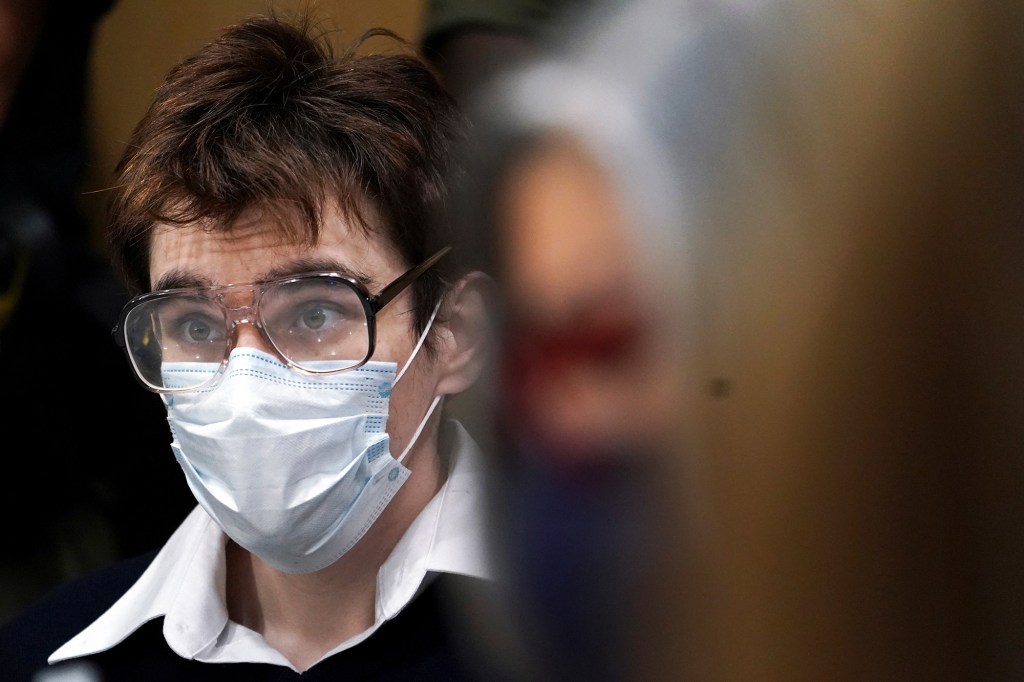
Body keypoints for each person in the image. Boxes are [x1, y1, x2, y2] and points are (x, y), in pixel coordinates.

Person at [0, 10, 507, 680]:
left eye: (315, 313)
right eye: (197, 327)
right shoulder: (51, 655)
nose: (247, 381)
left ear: (454, 334)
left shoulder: (614, 637)